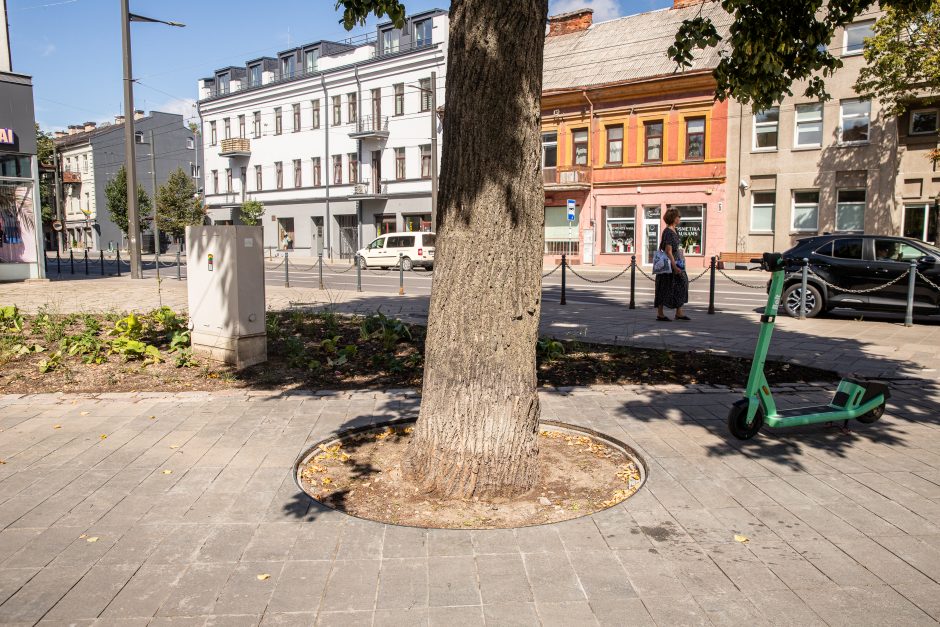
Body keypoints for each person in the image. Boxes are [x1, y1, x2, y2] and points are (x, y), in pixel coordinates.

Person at [655, 208, 690, 321]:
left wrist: (681, 258)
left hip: (677, 261)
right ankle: (660, 313)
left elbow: (676, 248)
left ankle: (679, 312)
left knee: (682, 283)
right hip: (670, 264)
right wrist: (674, 266)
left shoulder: (675, 230)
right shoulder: (668, 232)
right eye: (678, 216)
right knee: (664, 287)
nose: (680, 218)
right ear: (673, 218)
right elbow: (668, 251)